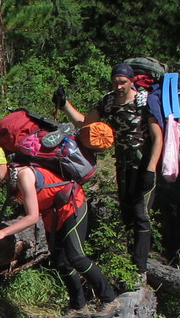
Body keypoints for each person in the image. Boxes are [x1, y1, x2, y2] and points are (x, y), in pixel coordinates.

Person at [0, 143, 117, 310]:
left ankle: (110, 300)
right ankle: (79, 307)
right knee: (60, 261)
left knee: (75, 257)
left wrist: (3, 232)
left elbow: (32, 217)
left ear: (3, 163)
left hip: (72, 204)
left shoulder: (24, 175)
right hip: (52, 213)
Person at [58, 62, 163, 275]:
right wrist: (64, 104)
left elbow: (157, 136)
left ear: (131, 81)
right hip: (123, 165)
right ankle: (129, 262)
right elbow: (85, 123)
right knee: (126, 211)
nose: (118, 86)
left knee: (141, 213)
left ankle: (140, 266)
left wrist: (151, 169)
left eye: (122, 82)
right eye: (115, 82)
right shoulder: (108, 102)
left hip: (144, 164)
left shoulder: (143, 101)